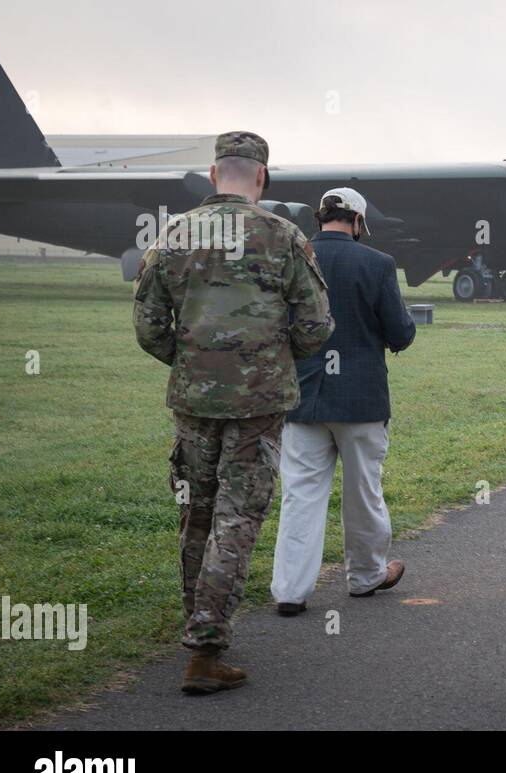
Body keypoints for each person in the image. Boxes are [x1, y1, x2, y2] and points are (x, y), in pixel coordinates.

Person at [133, 131, 334, 694]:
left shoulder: (173, 235)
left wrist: (195, 361)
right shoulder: (283, 236)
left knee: (196, 511)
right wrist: (265, 361)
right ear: (262, 177)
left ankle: (200, 632)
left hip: (194, 401)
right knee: (237, 516)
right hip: (259, 403)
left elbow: (149, 326)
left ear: (214, 173)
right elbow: (316, 325)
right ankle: (206, 648)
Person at [271, 188, 415, 613]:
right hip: (361, 400)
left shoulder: (292, 260)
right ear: (357, 222)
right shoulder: (377, 263)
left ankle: (290, 591)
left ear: (320, 218)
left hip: (304, 397)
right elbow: (401, 334)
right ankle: (366, 575)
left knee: (300, 495)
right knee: (363, 491)